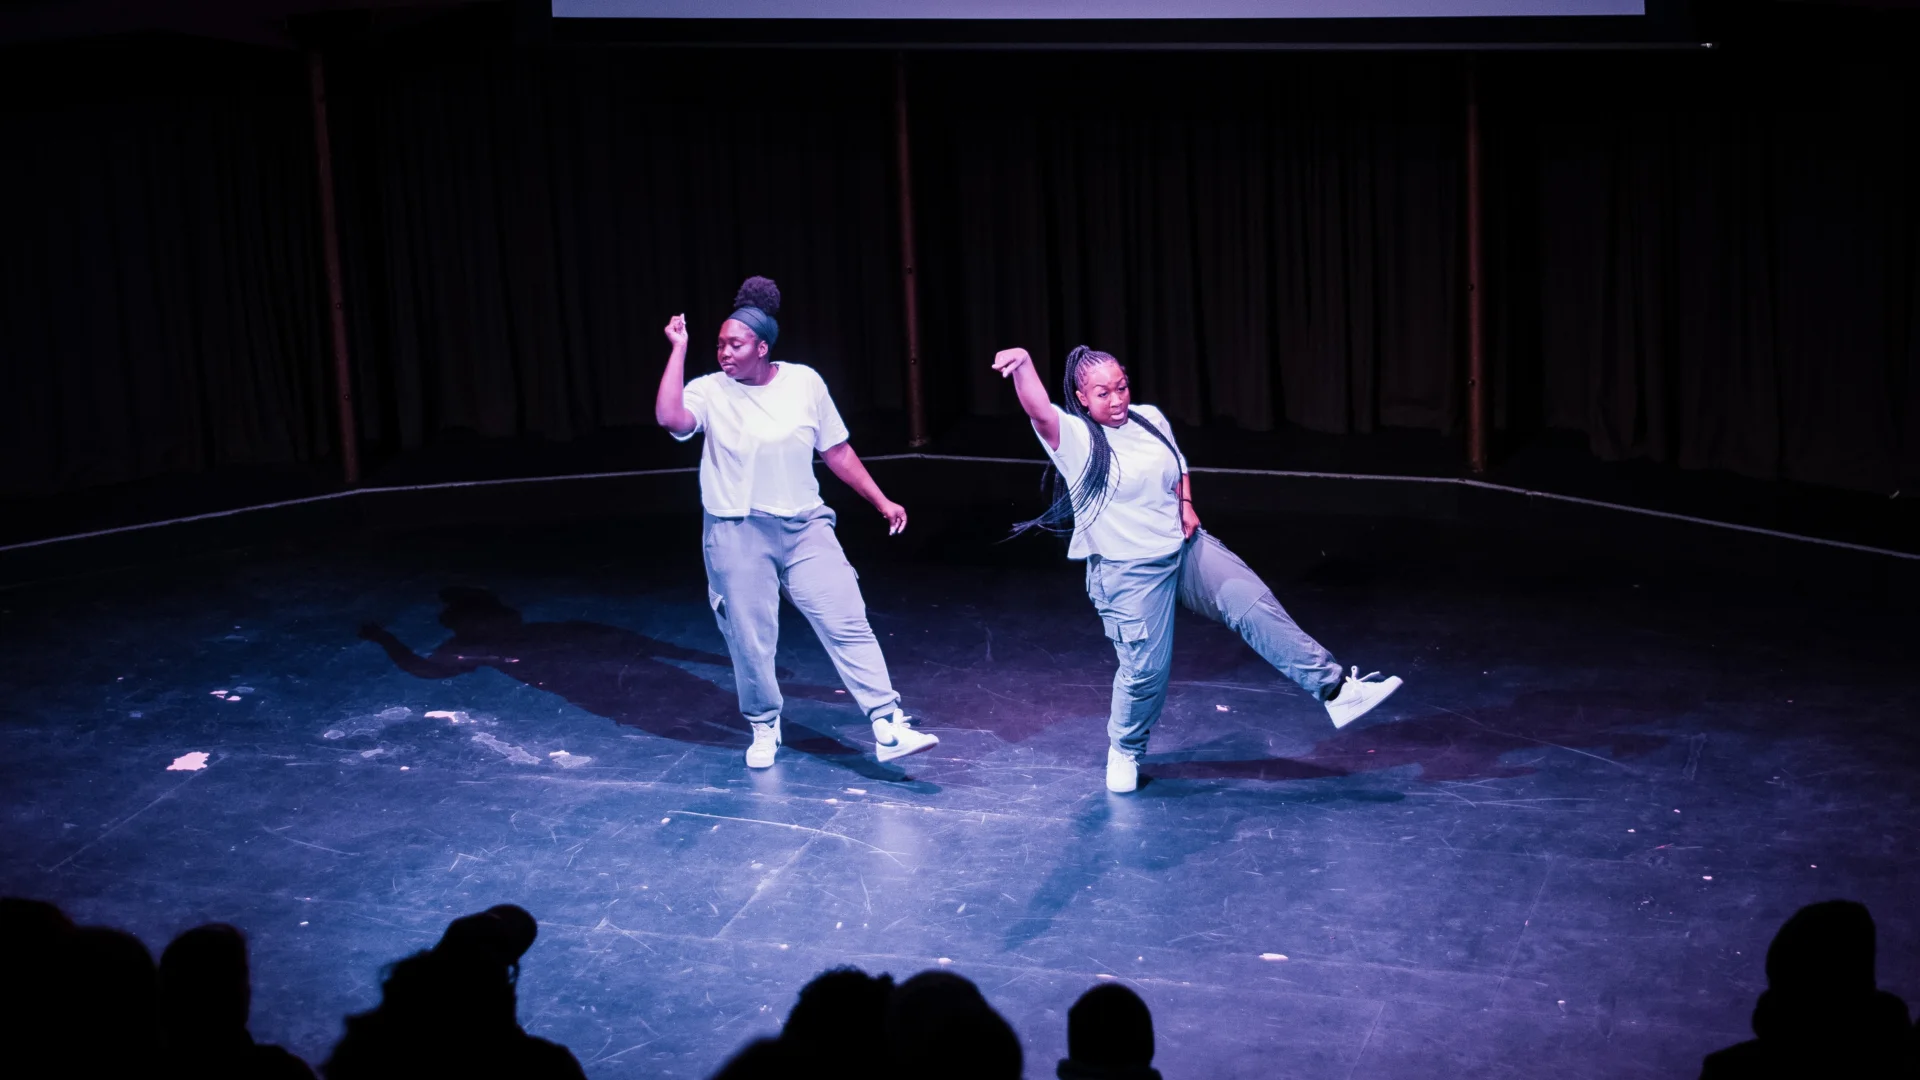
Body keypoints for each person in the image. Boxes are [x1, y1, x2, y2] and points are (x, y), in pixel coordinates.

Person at [993, 344, 1403, 793]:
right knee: (1146, 673)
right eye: (1102, 393)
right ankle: (1125, 749)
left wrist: (1186, 502)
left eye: (1121, 387)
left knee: (1254, 606)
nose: (1116, 400)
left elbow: (1177, 463)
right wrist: (1024, 365)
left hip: (1184, 549)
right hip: (1128, 573)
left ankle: (1337, 691)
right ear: (1082, 398)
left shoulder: (1149, 417)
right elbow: (1039, 412)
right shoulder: (1075, 438)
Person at [656, 276, 938, 769]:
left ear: (762, 348)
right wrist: (678, 349)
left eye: (736, 344)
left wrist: (880, 500)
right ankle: (764, 723)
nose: (724, 352)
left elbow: (836, 450)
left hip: (806, 526)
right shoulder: (708, 391)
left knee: (846, 617)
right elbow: (671, 419)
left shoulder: (804, 383)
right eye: (720, 344)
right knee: (752, 639)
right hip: (737, 531)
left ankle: (887, 724)